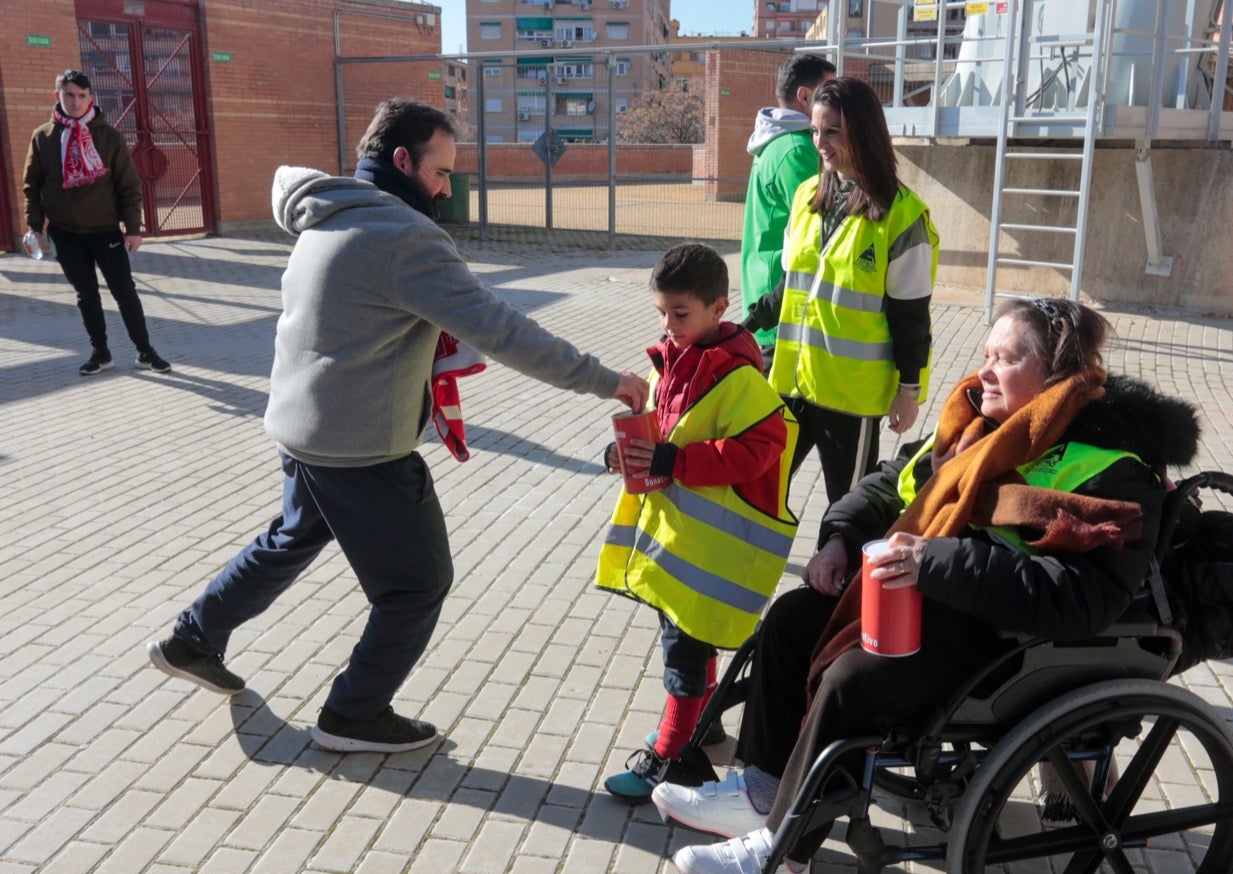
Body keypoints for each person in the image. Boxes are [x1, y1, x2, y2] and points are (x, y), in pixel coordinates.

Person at [653, 297, 1201, 874]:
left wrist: (933, 562)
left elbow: (1081, 598)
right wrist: (840, 537)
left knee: (854, 679)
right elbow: (892, 483)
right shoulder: (976, 430)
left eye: (1006, 358)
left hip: (1008, 644)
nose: (985, 370)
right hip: (940, 605)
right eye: (987, 354)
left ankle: (784, 859)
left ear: (1055, 375)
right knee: (791, 621)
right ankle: (761, 789)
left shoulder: (1112, 471)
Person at [146, 97, 649, 753]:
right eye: (441, 173)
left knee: (291, 538)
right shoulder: (404, 237)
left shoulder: (326, 215)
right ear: (403, 161)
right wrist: (606, 379)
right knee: (418, 584)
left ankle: (192, 638)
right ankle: (354, 713)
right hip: (359, 449)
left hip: (303, 428)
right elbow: (503, 330)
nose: (447, 189)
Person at [597, 243, 799, 801]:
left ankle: (671, 756)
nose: (668, 325)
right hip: (682, 547)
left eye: (680, 314)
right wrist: (631, 454)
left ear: (719, 307)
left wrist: (674, 461)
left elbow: (758, 449)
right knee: (688, 643)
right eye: (661, 313)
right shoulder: (675, 362)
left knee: (683, 655)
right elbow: (671, 430)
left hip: (713, 554)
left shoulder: (740, 381)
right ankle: (704, 730)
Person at [745, 76, 939, 505]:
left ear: (863, 132)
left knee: (845, 512)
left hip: (851, 398)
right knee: (757, 491)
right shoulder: (807, 195)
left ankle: (835, 575)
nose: (820, 142)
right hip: (791, 382)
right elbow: (791, 284)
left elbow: (911, 319)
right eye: (815, 130)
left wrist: (908, 394)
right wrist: (742, 329)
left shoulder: (903, 217)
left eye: (832, 131)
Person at [22, 70, 170, 376]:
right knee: (85, 295)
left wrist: (132, 229)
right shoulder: (43, 138)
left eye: (82, 96)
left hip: (105, 232)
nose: (75, 102)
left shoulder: (109, 137)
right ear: (57, 96)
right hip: (65, 234)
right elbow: (32, 186)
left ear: (91, 98)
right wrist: (34, 227)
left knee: (124, 292)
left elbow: (129, 186)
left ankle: (145, 352)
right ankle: (101, 354)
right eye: (69, 95)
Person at [740, 52, 835, 371]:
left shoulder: (780, 142)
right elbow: (822, 223)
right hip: (783, 305)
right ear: (805, 96)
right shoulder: (796, 148)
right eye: (829, 91)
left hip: (773, 299)